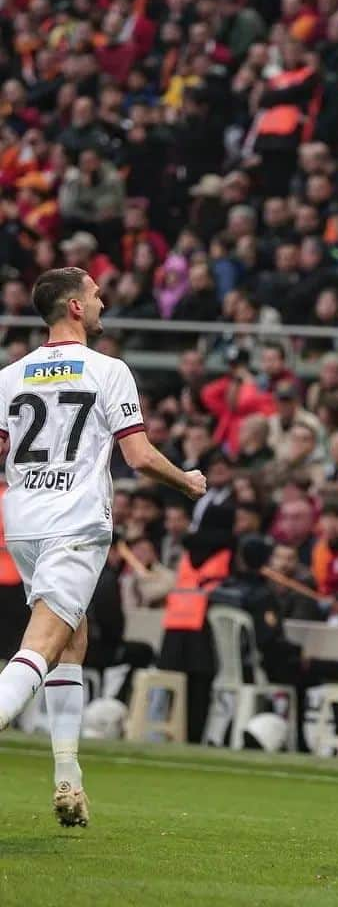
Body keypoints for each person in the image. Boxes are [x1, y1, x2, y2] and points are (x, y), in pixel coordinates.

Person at [0, 267, 206, 827]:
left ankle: (68, 777)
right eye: (94, 295)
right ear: (73, 307)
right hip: (76, 522)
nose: (102, 302)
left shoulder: (10, 375)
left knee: (72, 636)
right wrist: (185, 480)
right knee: (43, 643)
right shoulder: (107, 371)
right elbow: (137, 457)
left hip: (23, 523)